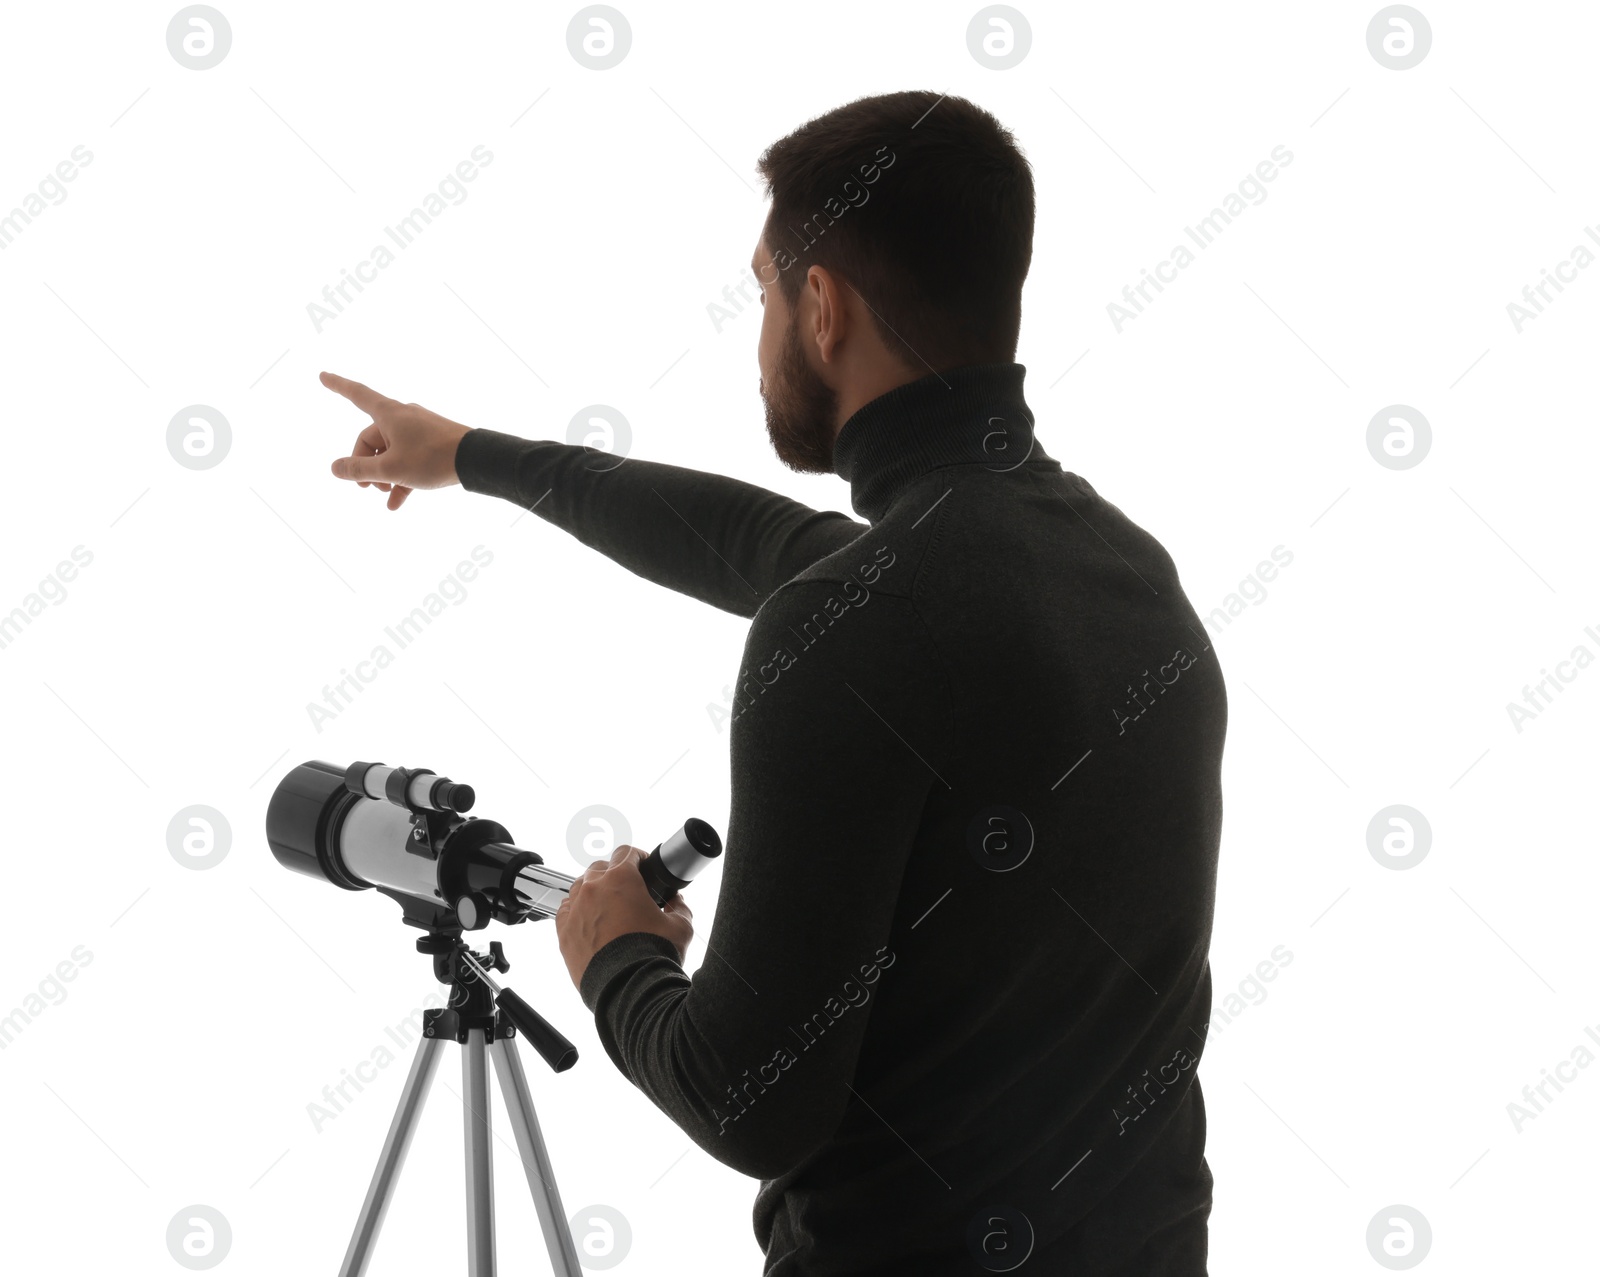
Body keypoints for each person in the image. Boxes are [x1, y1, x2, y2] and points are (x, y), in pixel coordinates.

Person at [324, 90, 1225, 1276]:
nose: (758, 329)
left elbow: (750, 1100)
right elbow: (748, 539)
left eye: (762, 288)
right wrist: (473, 455)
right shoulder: (1124, 570)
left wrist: (616, 952)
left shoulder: (852, 627)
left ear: (820, 304)